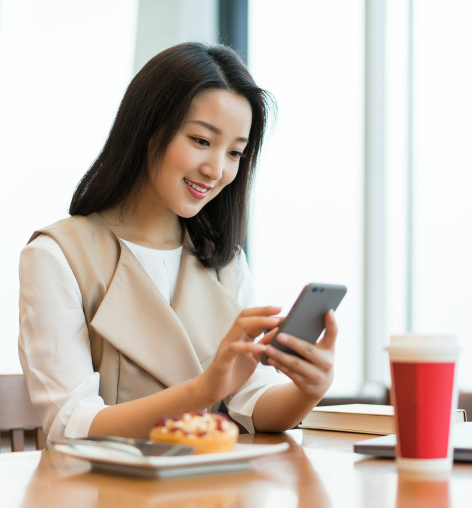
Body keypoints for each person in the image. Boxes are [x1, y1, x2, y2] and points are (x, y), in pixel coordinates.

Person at [18, 42, 337, 443]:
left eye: (235, 152)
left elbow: (253, 398)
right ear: (148, 127)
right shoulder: (58, 255)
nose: (216, 169)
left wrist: (309, 389)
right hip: (105, 498)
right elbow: (71, 424)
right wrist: (203, 390)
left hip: (207, 496)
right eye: (202, 141)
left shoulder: (225, 263)